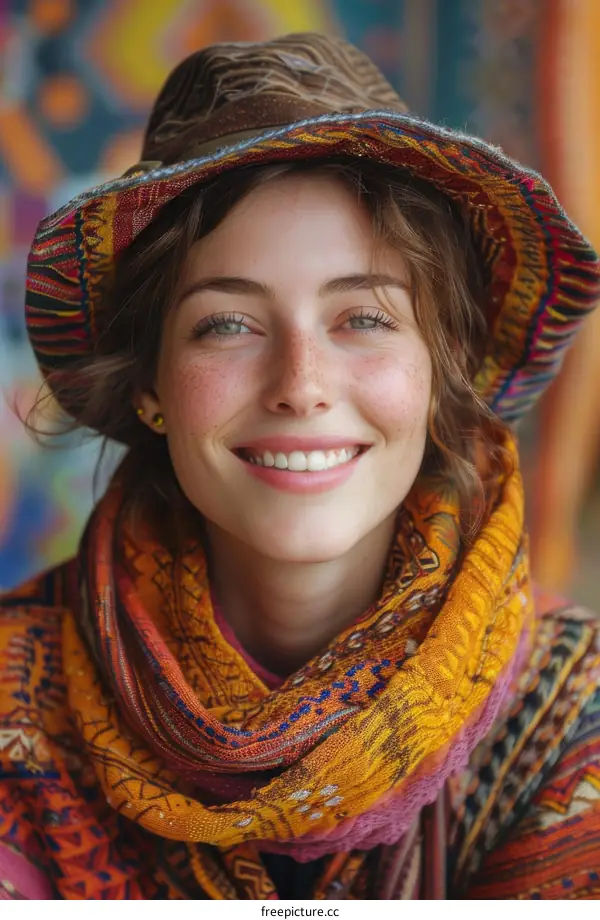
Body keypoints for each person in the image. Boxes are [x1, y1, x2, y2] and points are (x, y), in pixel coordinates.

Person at [0, 33, 599, 901]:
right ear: (149, 384)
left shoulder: (569, 712)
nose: (301, 387)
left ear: (443, 368)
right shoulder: (16, 692)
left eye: (363, 316)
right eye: (228, 325)